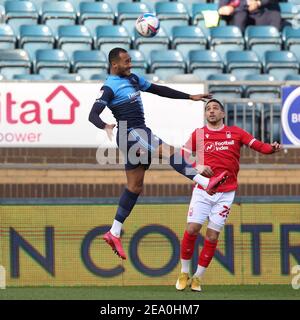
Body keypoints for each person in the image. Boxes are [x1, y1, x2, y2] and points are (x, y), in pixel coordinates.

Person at [88, 48, 228, 260]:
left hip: (139, 131)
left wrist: (189, 96)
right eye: (126, 62)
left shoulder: (134, 79)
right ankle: (205, 183)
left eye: (130, 60)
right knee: (168, 150)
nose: (130, 64)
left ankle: (114, 231)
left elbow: (158, 90)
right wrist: (105, 125)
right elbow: (92, 114)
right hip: (130, 131)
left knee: (135, 186)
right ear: (114, 65)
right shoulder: (109, 87)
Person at [175, 99, 281, 292]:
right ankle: (184, 272)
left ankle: (198, 277)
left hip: (226, 193)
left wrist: (271, 148)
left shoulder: (236, 133)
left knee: (212, 235)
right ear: (205, 115)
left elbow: (259, 146)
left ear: (223, 114)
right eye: (208, 109)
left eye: (215, 108)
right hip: (203, 190)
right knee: (192, 228)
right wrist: (196, 166)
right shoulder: (198, 134)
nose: (211, 111)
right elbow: (182, 154)